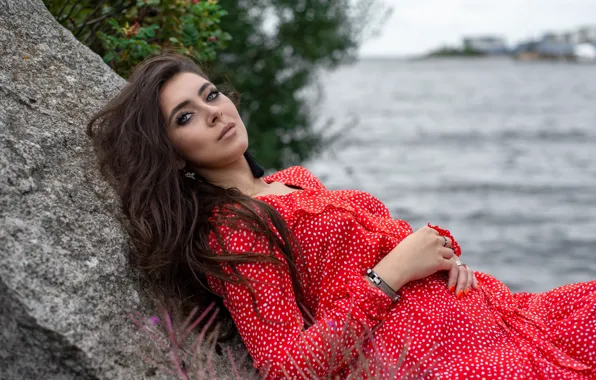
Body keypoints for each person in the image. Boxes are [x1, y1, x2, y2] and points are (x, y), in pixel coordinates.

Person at [87, 53, 596, 379]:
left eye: (210, 95)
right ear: (172, 153)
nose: (214, 112)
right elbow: (286, 367)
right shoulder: (234, 230)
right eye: (186, 117)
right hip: (437, 356)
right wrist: (392, 274)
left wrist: (438, 254)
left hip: (495, 312)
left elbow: (371, 246)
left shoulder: (297, 181)